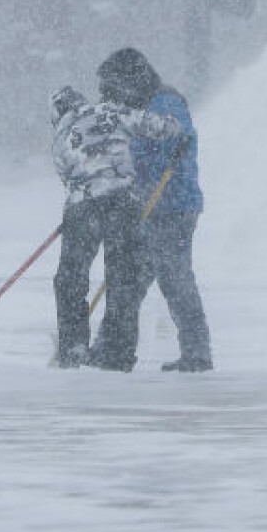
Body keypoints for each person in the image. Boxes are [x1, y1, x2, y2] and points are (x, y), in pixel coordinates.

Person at [47, 84, 181, 371]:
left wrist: (80, 200)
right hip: (122, 203)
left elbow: (67, 178)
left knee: (70, 279)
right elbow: (151, 124)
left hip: (82, 207)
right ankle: (118, 354)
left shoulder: (59, 139)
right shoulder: (109, 111)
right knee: (122, 279)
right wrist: (173, 129)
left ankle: (73, 348)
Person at [96, 47, 214, 373]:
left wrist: (126, 165)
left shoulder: (166, 104)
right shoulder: (140, 106)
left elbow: (165, 149)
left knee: (175, 279)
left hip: (171, 207)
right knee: (129, 282)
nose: (110, 95)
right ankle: (108, 346)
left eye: (113, 86)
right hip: (145, 208)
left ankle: (197, 352)